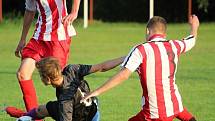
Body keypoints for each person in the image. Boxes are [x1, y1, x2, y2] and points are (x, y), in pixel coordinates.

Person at [81, 15, 200, 121]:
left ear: (147, 31)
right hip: (176, 106)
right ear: (165, 34)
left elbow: (123, 75)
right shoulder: (174, 45)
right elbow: (192, 40)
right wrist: (194, 25)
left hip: (154, 114)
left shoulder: (141, 49)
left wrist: (96, 92)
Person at [7, 56, 125, 121]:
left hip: (80, 117)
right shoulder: (72, 69)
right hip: (94, 114)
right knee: (47, 108)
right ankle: (25, 116)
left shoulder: (65, 102)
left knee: (40, 110)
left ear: (47, 79)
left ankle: (25, 117)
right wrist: (126, 58)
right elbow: (102, 67)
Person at [14, 0, 81, 113]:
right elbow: (30, 10)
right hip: (39, 38)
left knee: (59, 82)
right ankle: (35, 116)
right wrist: (22, 39)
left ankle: (79, 109)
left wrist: (74, 12)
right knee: (22, 74)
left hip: (58, 38)